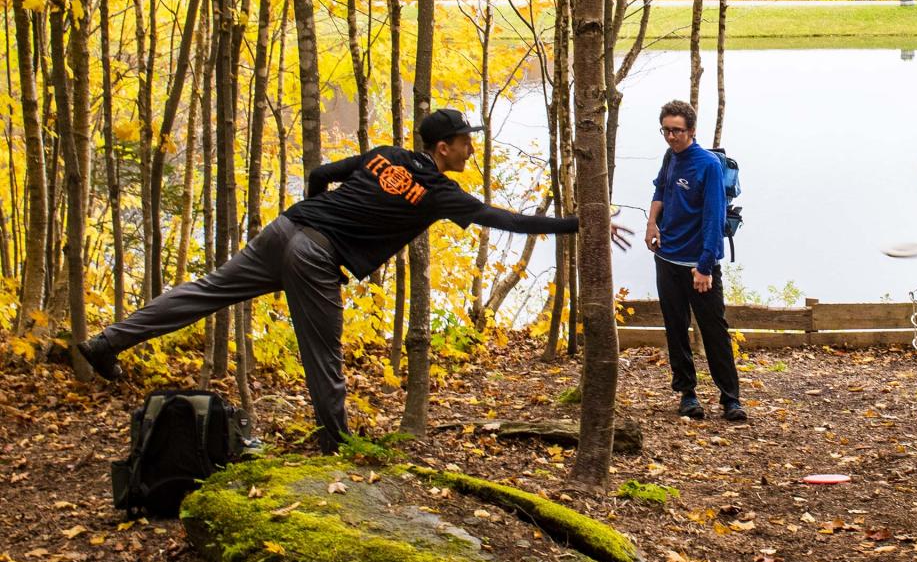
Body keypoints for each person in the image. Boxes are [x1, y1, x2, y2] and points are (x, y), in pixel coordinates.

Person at [71, 108, 630, 450]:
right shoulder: (439, 191)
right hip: (312, 252)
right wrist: (585, 223)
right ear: (443, 148)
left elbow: (318, 174)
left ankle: (104, 343)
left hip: (285, 227)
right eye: (465, 140)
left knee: (203, 293)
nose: (470, 146)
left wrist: (310, 224)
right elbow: (505, 220)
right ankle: (338, 443)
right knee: (325, 353)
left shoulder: (384, 155)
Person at [645, 99, 745, 422]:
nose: (671, 137)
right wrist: (651, 224)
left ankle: (730, 398)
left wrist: (704, 266)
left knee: (714, 330)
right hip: (667, 260)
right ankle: (687, 395)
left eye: (677, 131)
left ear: (691, 130)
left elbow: (714, 219)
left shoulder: (707, 165)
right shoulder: (669, 157)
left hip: (698, 266)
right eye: (666, 130)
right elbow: (660, 190)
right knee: (676, 329)